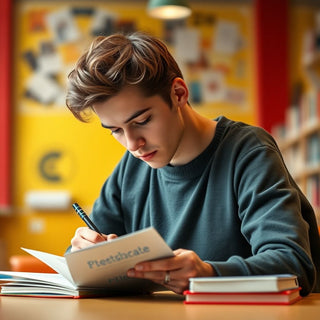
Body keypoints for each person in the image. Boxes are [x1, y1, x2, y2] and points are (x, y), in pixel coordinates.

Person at [66, 32, 320, 296]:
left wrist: (210, 275)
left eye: (141, 121)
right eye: (116, 130)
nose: (132, 144)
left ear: (178, 93)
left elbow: (294, 265)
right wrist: (82, 250)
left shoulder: (248, 151)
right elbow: (83, 261)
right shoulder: (131, 167)